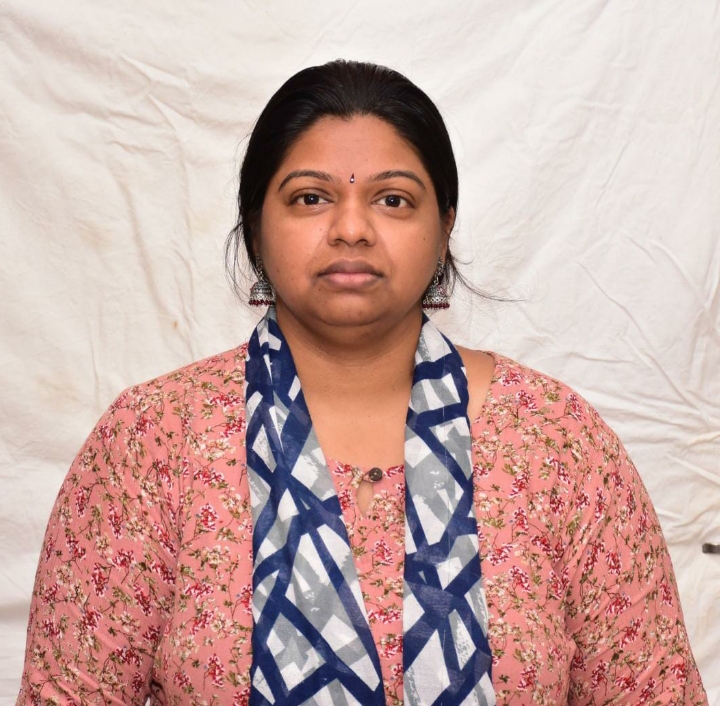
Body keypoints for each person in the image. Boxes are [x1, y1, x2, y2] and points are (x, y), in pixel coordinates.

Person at [17, 60, 707, 706]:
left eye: (393, 200)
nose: (351, 228)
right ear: (255, 226)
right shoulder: (154, 442)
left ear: (445, 228)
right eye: (311, 198)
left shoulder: (553, 439)